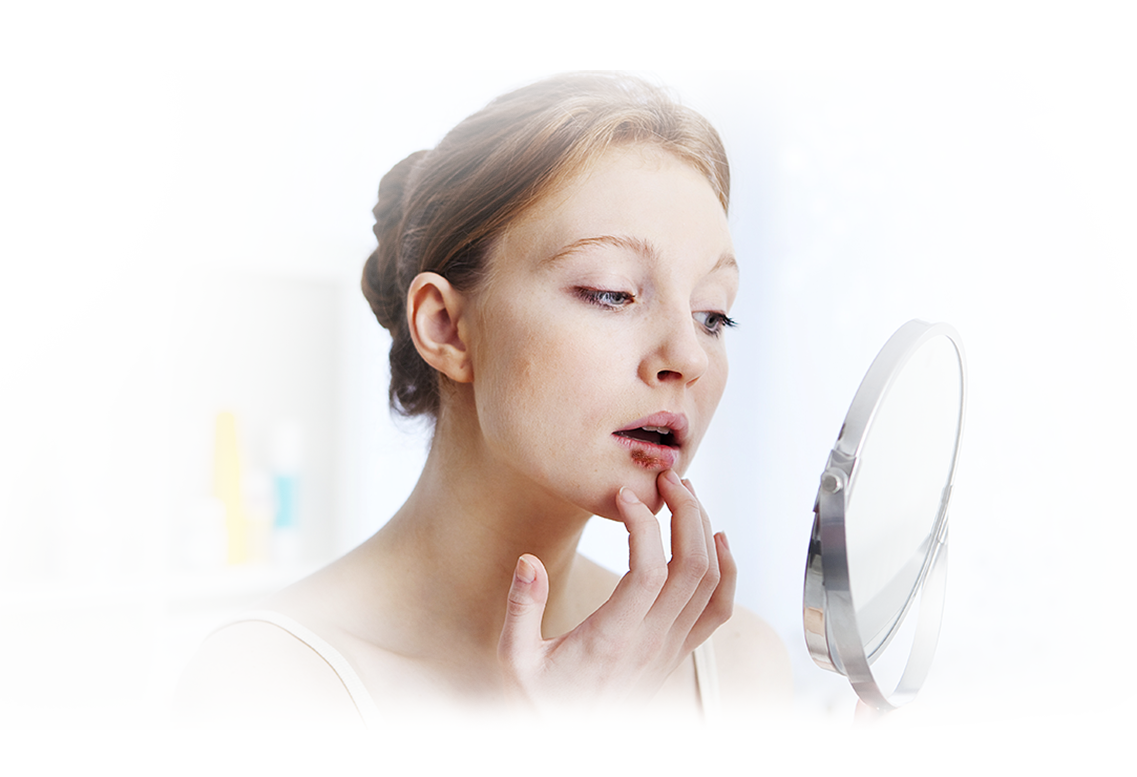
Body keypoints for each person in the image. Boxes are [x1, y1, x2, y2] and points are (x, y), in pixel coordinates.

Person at [171, 71, 934, 730]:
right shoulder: (271, 693)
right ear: (447, 328)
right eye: (610, 293)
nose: (689, 356)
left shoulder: (733, 667)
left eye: (713, 313)